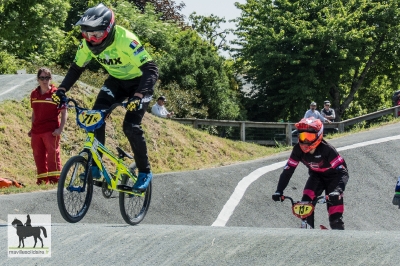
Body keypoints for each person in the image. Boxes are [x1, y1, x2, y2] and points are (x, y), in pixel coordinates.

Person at [52, 3, 158, 191]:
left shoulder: (126, 40)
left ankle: (144, 171)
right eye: (87, 34)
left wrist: (139, 95)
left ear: (108, 30)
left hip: (140, 83)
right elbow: (76, 68)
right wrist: (61, 90)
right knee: (95, 118)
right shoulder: (86, 44)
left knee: (130, 126)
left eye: (97, 34)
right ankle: (95, 166)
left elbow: (151, 69)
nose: (92, 40)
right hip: (116, 82)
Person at [272, 117, 349, 230]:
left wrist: (338, 190)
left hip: (334, 178)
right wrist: (279, 190)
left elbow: (343, 172)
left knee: (335, 217)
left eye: (310, 137)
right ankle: (307, 232)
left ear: (319, 135)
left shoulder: (327, 149)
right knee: (305, 203)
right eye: (303, 136)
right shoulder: (297, 149)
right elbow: (288, 170)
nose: (306, 141)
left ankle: (339, 238)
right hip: (316, 176)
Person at [29, 68, 67, 185]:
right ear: (38, 79)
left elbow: (64, 111)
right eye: (42, 78)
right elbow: (34, 112)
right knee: (38, 155)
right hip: (36, 131)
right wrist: (32, 128)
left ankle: (55, 180)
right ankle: (41, 181)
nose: (44, 81)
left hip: (51, 131)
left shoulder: (56, 94)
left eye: (47, 78)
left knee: (53, 155)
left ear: (50, 79)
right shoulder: (34, 94)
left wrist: (60, 129)